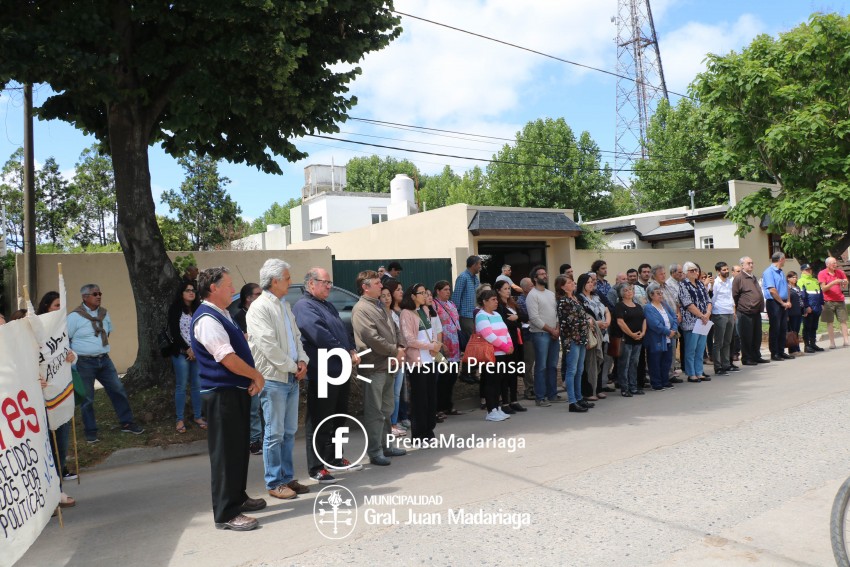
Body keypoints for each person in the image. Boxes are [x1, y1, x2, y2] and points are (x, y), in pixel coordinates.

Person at [191, 266, 266, 532]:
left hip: (233, 391)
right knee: (225, 454)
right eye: (229, 285)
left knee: (237, 449)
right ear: (213, 288)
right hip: (221, 394)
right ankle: (226, 513)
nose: (234, 290)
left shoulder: (221, 313)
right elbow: (226, 357)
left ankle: (238, 498)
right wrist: (256, 375)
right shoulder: (207, 319)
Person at [246, 259, 310, 500]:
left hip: (291, 377)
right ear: (274, 281)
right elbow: (268, 346)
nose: (291, 282)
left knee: (289, 431)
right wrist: (294, 366)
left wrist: (302, 361)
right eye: (287, 278)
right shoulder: (259, 307)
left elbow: (296, 337)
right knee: (274, 433)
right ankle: (274, 482)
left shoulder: (284, 305)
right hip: (274, 378)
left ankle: (287, 478)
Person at [293, 267, 362, 485]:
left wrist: (350, 349)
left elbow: (342, 331)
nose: (329, 286)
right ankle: (316, 466)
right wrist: (344, 352)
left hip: (339, 368)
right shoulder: (304, 306)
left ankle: (335, 457)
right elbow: (319, 335)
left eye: (330, 283)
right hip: (322, 370)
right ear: (311, 283)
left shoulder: (328, 305)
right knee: (320, 420)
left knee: (339, 417)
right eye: (325, 282)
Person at [68, 284, 144, 443]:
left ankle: (127, 422)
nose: (98, 296)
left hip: (104, 359)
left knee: (118, 389)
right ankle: (91, 431)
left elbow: (107, 331)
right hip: (84, 362)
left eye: (100, 293)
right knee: (87, 398)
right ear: (84, 297)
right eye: (94, 294)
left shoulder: (104, 313)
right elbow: (66, 338)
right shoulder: (74, 317)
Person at [351, 270, 407, 466]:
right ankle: (375, 452)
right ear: (365, 287)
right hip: (373, 367)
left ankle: (386, 446)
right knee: (375, 412)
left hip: (387, 365)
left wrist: (400, 347)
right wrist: (394, 351)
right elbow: (371, 338)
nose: (381, 286)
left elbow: (395, 328)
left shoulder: (379, 306)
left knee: (386, 409)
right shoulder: (361, 309)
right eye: (377, 283)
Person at [35, 291, 77, 507]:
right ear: (46, 307)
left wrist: (72, 356)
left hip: (61, 396)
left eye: (62, 306)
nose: (59, 309)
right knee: (47, 450)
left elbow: (67, 356)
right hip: (40, 402)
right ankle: (49, 495)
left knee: (60, 448)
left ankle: (57, 490)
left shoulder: (62, 330)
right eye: (56, 305)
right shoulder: (34, 331)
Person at [399, 284, 441, 440]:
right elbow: (409, 339)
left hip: (430, 360)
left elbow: (432, 332)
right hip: (417, 363)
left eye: (425, 292)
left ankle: (429, 431)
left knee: (431, 397)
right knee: (420, 399)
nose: (425, 295)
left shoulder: (425, 310)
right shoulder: (406, 313)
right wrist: (431, 345)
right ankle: (418, 434)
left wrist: (435, 345)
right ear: (412, 296)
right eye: (421, 293)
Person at [167, 279, 205, 433]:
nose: (191, 293)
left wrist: (195, 349)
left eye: (193, 290)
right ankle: (180, 419)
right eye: (187, 290)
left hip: (197, 352)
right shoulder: (175, 308)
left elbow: (203, 330)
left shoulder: (199, 309)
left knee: (197, 385)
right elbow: (175, 333)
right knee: (181, 386)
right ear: (181, 293)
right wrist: (187, 349)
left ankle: (198, 416)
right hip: (181, 353)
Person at [232, 282, 263, 455]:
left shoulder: (263, 314)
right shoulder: (238, 317)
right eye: (258, 294)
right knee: (253, 407)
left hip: (265, 366)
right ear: (247, 298)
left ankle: (262, 438)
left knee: (263, 407)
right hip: (249, 367)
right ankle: (254, 441)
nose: (262, 297)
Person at [474, 289, 514, 422]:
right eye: (493, 300)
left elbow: (505, 331)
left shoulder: (497, 314)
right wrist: (504, 346)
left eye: (496, 299)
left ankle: (497, 408)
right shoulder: (481, 316)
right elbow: (488, 335)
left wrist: (509, 344)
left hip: (502, 353)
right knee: (491, 382)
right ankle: (491, 410)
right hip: (491, 354)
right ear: (484, 302)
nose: (496, 302)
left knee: (499, 381)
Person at [556, 275, 593, 413]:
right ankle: (572, 401)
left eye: (572, 282)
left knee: (579, 369)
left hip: (581, 338)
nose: (573, 284)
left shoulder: (575, 298)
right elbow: (569, 321)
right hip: (571, 339)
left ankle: (579, 397)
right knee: (572, 370)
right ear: (562, 286)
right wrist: (586, 322)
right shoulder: (563, 301)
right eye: (569, 282)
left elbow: (581, 316)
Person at [527, 265, 561, 407]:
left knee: (552, 365)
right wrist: (550, 330)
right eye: (541, 274)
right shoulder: (532, 295)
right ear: (535, 278)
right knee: (541, 366)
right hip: (541, 334)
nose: (544, 276)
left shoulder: (550, 293)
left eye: (545, 273)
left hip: (554, 333)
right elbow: (534, 318)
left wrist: (557, 329)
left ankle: (552, 394)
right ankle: (540, 397)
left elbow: (556, 313)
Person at [576, 272, 611, 400]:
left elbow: (606, 310)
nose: (591, 284)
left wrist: (607, 322)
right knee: (589, 363)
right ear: (582, 284)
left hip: (603, 333)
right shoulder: (578, 298)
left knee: (600, 361)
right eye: (588, 282)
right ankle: (588, 391)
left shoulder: (596, 296)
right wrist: (598, 324)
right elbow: (582, 317)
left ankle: (599, 388)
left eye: (592, 282)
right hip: (590, 334)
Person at [381, 279, 409, 437]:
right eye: (383, 296)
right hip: (388, 359)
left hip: (400, 358)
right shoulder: (379, 314)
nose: (386, 298)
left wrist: (401, 349)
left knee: (397, 393)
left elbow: (400, 334)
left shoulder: (395, 314)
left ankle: (394, 422)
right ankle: (388, 425)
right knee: (388, 393)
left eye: (387, 296)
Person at [494, 279, 526, 413]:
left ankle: (514, 400)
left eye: (509, 288)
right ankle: (505, 402)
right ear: (498, 290)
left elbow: (524, 316)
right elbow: (504, 324)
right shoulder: (498, 306)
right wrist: (516, 322)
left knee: (513, 372)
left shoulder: (512, 303)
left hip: (517, 341)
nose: (508, 291)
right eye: (505, 289)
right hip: (506, 342)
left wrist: (517, 318)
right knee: (505, 373)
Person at [433, 280, 462, 417]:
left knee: (452, 377)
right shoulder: (434, 305)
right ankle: (439, 407)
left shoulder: (452, 304)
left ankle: (448, 405)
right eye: (444, 289)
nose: (448, 292)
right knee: (443, 378)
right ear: (437, 291)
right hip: (443, 344)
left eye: (449, 289)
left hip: (454, 345)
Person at [679, 262, 712, 382]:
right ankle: (691, 373)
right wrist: (701, 315)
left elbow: (708, 300)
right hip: (692, 321)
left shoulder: (700, 284)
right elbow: (687, 303)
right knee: (691, 349)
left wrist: (707, 314)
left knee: (700, 348)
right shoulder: (683, 285)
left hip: (703, 321)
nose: (695, 272)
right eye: (692, 270)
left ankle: (699, 372)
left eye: (696, 270)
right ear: (686, 272)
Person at [732, 257, 768, 366]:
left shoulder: (753, 277)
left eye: (752, 263)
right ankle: (747, 358)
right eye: (748, 263)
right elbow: (735, 295)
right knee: (746, 336)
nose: (751, 265)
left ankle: (756, 356)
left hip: (756, 311)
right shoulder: (739, 278)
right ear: (742, 265)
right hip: (745, 312)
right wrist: (741, 307)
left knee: (756, 336)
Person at [643, 283, 678, 391]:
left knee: (667, 360)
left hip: (669, 337)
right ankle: (656, 383)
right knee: (655, 361)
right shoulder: (648, 307)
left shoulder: (665, 304)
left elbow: (674, 317)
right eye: (658, 293)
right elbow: (654, 324)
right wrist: (667, 331)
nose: (660, 295)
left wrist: (674, 330)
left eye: (661, 292)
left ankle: (665, 381)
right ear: (651, 295)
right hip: (656, 339)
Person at [614, 283, 645, 396]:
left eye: (631, 289)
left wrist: (643, 332)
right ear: (622, 294)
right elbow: (620, 322)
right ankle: (624, 388)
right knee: (624, 364)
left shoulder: (638, 306)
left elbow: (643, 319)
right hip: (626, 339)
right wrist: (631, 334)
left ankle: (633, 386)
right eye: (626, 290)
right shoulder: (620, 306)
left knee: (634, 363)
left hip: (638, 338)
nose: (629, 292)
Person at [762, 252, 793, 361]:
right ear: (781, 259)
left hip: (783, 302)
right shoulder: (769, 272)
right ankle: (774, 353)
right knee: (775, 327)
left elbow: (786, 287)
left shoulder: (781, 272)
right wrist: (782, 302)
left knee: (783, 328)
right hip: (774, 302)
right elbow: (772, 290)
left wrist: (788, 300)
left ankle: (781, 350)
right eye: (784, 259)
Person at [711, 262, 736, 376]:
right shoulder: (716, 283)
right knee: (719, 342)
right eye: (724, 270)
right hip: (719, 313)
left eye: (727, 269)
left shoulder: (729, 282)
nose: (726, 271)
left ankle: (726, 364)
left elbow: (731, 297)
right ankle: (718, 366)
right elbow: (712, 299)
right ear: (718, 271)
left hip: (730, 312)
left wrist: (733, 311)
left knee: (727, 341)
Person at [818, 256, 849, 348]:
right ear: (827, 264)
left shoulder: (840, 272)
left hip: (840, 299)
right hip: (828, 301)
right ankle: (832, 342)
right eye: (833, 263)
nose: (835, 265)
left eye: (836, 263)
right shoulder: (822, 273)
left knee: (843, 321)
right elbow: (823, 288)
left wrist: (844, 282)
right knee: (829, 322)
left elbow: (846, 281)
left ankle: (846, 340)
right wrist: (834, 282)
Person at [452, 255, 482, 339]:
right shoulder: (463, 277)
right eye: (479, 264)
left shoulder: (475, 278)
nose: (480, 266)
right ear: (474, 265)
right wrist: (456, 315)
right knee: (473, 340)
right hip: (465, 316)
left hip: (475, 314)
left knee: (476, 339)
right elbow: (456, 297)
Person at [516, 277, 536, 400]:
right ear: (523, 288)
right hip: (528, 335)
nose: (533, 287)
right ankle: (529, 389)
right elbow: (530, 317)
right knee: (528, 363)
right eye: (530, 286)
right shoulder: (521, 301)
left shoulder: (534, 298)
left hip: (538, 332)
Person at [798, 263, 824, 353]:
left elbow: (820, 293)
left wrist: (822, 303)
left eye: (810, 269)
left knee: (814, 326)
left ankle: (813, 343)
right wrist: (806, 307)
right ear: (802, 271)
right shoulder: (801, 281)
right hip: (809, 308)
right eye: (806, 270)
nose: (809, 271)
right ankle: (807, 345)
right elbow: (802, 296)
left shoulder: (815, 280)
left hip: (817, 307)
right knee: (807, 327)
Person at [786, 271, 804, 356]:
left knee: (796, 331)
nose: (795, 279)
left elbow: (800, 300)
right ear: (788, 278)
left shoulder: (797, 287)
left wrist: (803, 310)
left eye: (796, 277)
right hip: (791, 312)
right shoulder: (787, 288)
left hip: (798, 311)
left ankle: (797, 348)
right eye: (793, 277)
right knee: (792, 331)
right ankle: (792, 350)